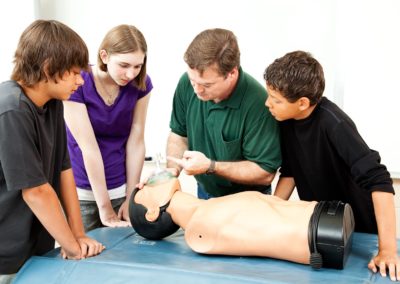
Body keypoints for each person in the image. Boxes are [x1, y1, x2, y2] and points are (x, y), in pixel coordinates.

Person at [263, 50, 400, 281]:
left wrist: (387, 251)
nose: (268, 104)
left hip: (358, 226)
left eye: (275, 100)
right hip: (324, 223)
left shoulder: (334, 124)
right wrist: (272, 212)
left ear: (302, 103)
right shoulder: (286, 120)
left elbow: (380, 181)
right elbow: (291, 171)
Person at [0, 20, 105, 283]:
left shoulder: (54, 102)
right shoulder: (11, 110)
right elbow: (35, 191)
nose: (81, 81)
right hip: (6, 252)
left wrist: (77, 234)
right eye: (74, 72)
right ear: (49, 68)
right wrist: (72, 246)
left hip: (38, 246)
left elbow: (63, 168)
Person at [130, 173, 355, 269]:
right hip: (319, 233)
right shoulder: (198, 233)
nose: (145, 184)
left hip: (323, 218)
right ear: (152, 212)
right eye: (143, 191)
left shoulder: (205, 210)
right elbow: (265, 236)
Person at [167, 28, 281, 199]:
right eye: (193, 81)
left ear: (232, 73)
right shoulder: (186, 83)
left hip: (247, 200)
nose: (197, 90)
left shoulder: (259, 104)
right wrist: (170, 172)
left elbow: (264, 173)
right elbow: (179, 135)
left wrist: (211, 166)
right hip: (205, 190)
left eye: (207, 85)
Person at [63, 24, 152, 232]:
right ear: (104, 56)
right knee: (84, 258)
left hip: (120, 189)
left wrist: (131, 198)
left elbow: (136, 141)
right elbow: (89, 147)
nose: (130, 74)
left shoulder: (141, 84)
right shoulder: (78, 81)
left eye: (138, 66)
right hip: (82, 193)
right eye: (124, 65)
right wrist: (103, 207)